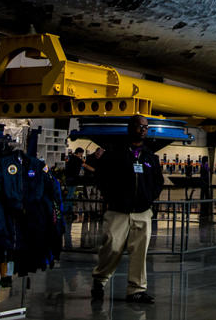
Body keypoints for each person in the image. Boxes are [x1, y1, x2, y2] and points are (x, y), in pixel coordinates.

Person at [91, 114, 163, 304]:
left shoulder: (150, 157)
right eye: (140, 126)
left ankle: (136, 290)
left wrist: (150, 197)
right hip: (118, 211)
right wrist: (111, 196)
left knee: (140, 251)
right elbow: (101, 177)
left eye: (146, 127)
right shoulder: (115, 153)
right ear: (131, 127)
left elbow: (158, 181)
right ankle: (100, 280)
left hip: (142, 211)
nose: (143, 130)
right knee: (112, 246)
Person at [64, 147, 85, 218]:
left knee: (70, 195)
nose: (81, 155)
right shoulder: (78, 159)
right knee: (70, 196)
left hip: (68, 179)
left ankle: (69, 211)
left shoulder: (70, 157)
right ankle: (66, 211)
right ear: (79, 153)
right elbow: (84, 165)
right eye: (81, 154)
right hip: (74, 180)